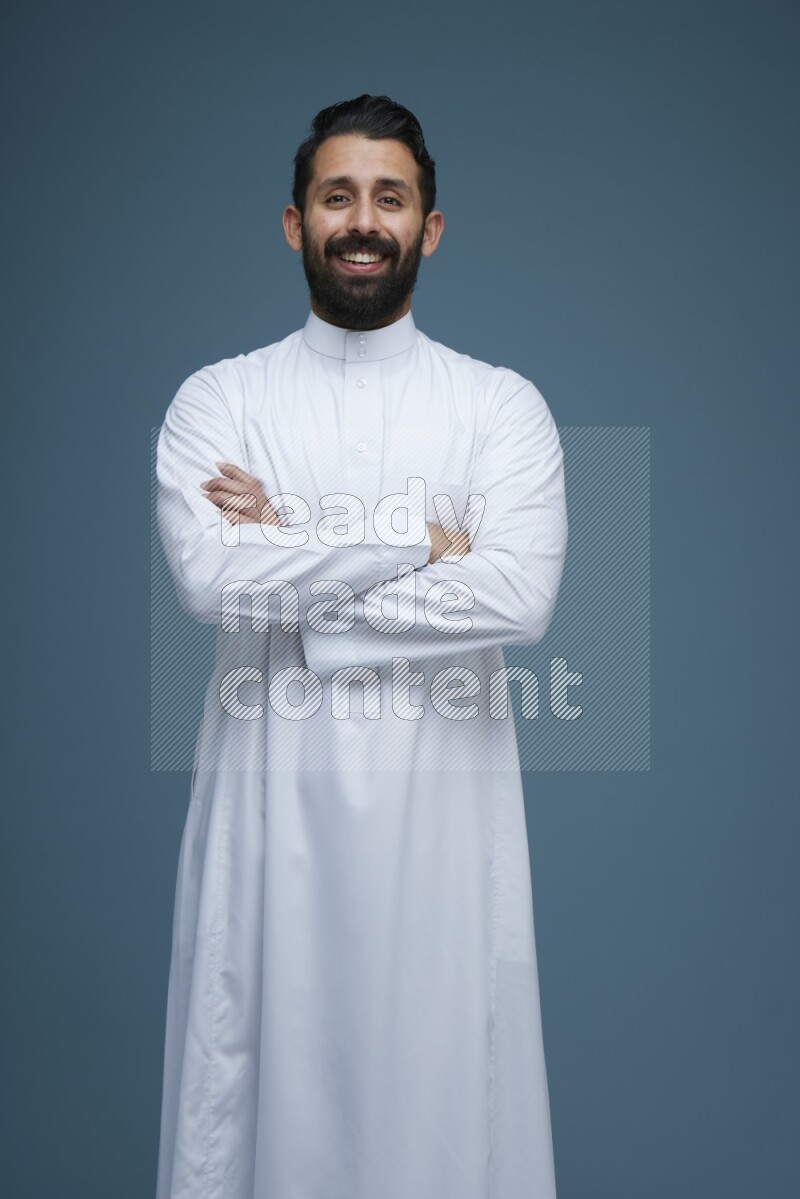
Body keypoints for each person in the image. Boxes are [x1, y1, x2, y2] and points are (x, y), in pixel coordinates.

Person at [155, 93, 568, 1199]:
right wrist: (412, 538)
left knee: (440, 1113)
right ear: (294, 222)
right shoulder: (218, 399)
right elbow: (208, 576)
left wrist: (292, 544)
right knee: (254, 1090)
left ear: (428, 227)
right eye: (336, 196)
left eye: (389, 197)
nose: (362, 220)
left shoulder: (499, 408)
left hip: (444, 832)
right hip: (266, 818)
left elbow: (518, 596)